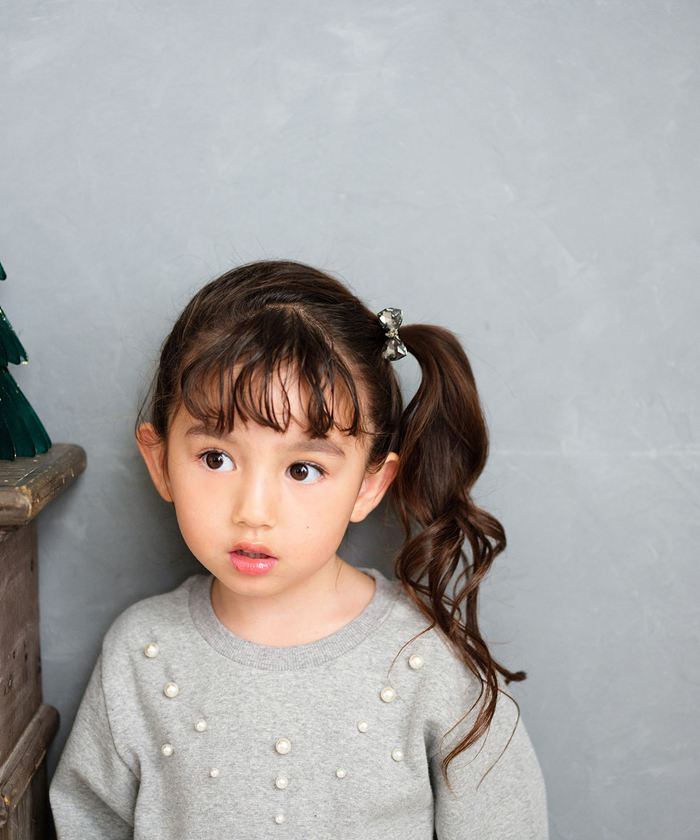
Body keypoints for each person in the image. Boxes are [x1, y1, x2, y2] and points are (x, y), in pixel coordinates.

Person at [48, 259, 549, 839]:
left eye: (303, 469)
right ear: (160, 462)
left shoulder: (429, 661)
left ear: (370, 485)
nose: (254, 510)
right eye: (216, 458)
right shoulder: (142, 654)